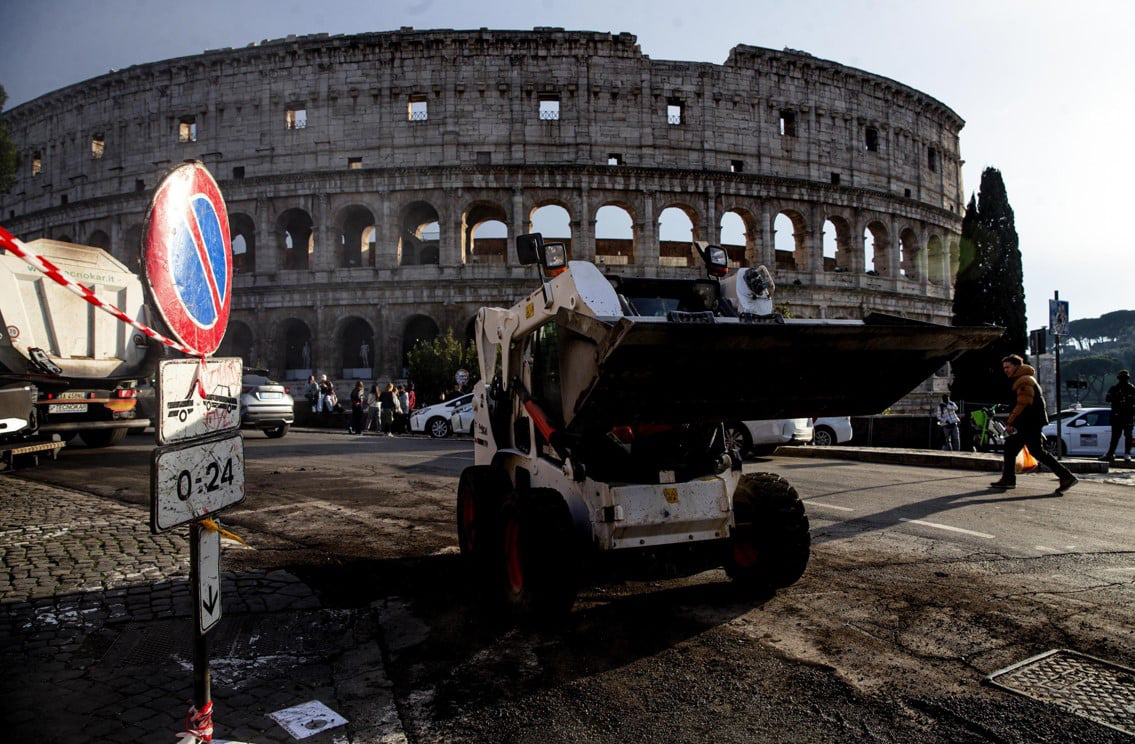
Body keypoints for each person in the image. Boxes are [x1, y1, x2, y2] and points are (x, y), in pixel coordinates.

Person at [990, 354, 1077, 492]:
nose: (1005, 370)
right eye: (1004, 367)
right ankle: (1066, 476)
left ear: (1017, 366)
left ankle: (1009, 479)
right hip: (1031, 421)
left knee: (1015, 447)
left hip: (1029, 422)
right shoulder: (1024, 379)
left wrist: (1010, 421)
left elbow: (1023, 403)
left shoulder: (1023, 381)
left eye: (1008, 367)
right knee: (1030, 450)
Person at [1100, 369, 1135, 463]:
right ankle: (1110, 454)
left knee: (1128, 436)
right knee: (1115, 437)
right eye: (1122, 378)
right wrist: (1117, 397)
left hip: (1128, 416)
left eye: (1125, 378)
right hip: (1117, 416)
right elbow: (1108, 399)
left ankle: (1127, 454)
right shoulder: (1114, 388)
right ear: (1119, 379)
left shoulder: (1132, 389)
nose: (1124, 380)